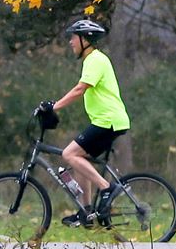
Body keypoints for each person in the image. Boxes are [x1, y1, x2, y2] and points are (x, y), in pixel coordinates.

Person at [48, 18, 130, 228]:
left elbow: (80, 89)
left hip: (108, 121)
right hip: (106, 120)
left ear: (85, 39)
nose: (71, 42)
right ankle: (86, 211)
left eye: (74, 38)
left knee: (69, 154)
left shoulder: (95, 60)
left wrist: (54, 106)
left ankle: (106, 187)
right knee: (78, 160)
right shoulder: (93, 60)